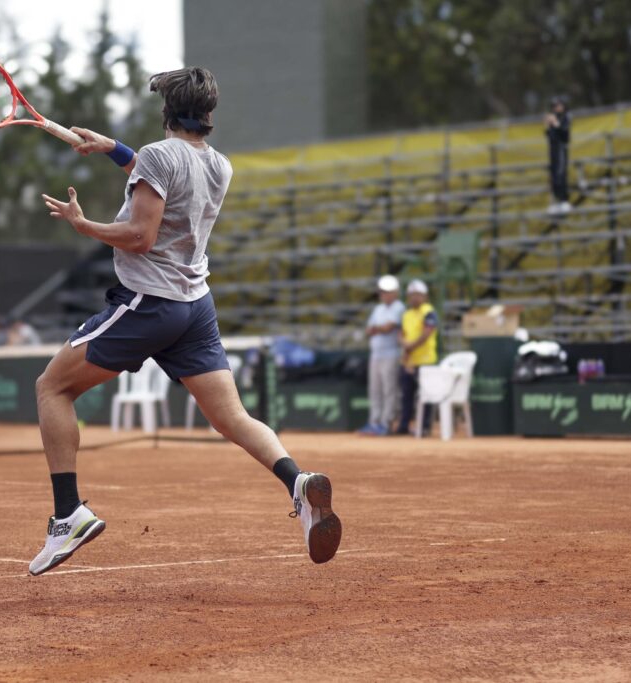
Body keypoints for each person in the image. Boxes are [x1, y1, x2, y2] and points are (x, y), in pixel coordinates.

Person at [30, 67, 341, 576]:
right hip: (195, 308)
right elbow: (167, 172)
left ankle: (68, 514)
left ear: (166, 112)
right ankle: (298, 483)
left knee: (52, 388)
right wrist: (111, 147)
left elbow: (140, 237)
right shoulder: (220, 165)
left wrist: (82, 224)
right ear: (209, 115)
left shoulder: (157, 156)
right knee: (232, 418)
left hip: (148, 303)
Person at [359, 275, 405, 436]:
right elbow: (370, 330)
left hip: (391, 354)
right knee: (375, 389)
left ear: (395, 292)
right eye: (382, 292)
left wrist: (377, 329)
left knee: (389, 389)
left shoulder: (399, 307)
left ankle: (386, 423)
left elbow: (387, 327)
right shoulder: (378, 309)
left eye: (387, 292)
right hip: (376, 355)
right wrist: (379, 328)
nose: (383, 295)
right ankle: (374, 422)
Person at [396, 280, 438, 436]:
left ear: (425, 296)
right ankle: (404, 425)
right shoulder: (406, 314)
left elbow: (427, 333)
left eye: (418, 295)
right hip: (408, 361)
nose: (415, 298)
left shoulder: (429, 311)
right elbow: (400, 334)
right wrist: (404, 345)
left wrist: (409, 346)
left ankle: (424, 427)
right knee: (407, 396)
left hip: (425, 361)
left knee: (426, 397)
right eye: (412, 295)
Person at [545, 96, 571, 214]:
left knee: (561, 175)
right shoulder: (553, 118)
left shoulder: (565, 117)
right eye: (554, 106)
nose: (556, 108)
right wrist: (548, 125)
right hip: (553, 150)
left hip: (561, 149)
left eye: (558, 105)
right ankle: (557, 201)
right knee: (554, 176)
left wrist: (555, 123)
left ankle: (564, 200)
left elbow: (565, 135)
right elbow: (549, 135)